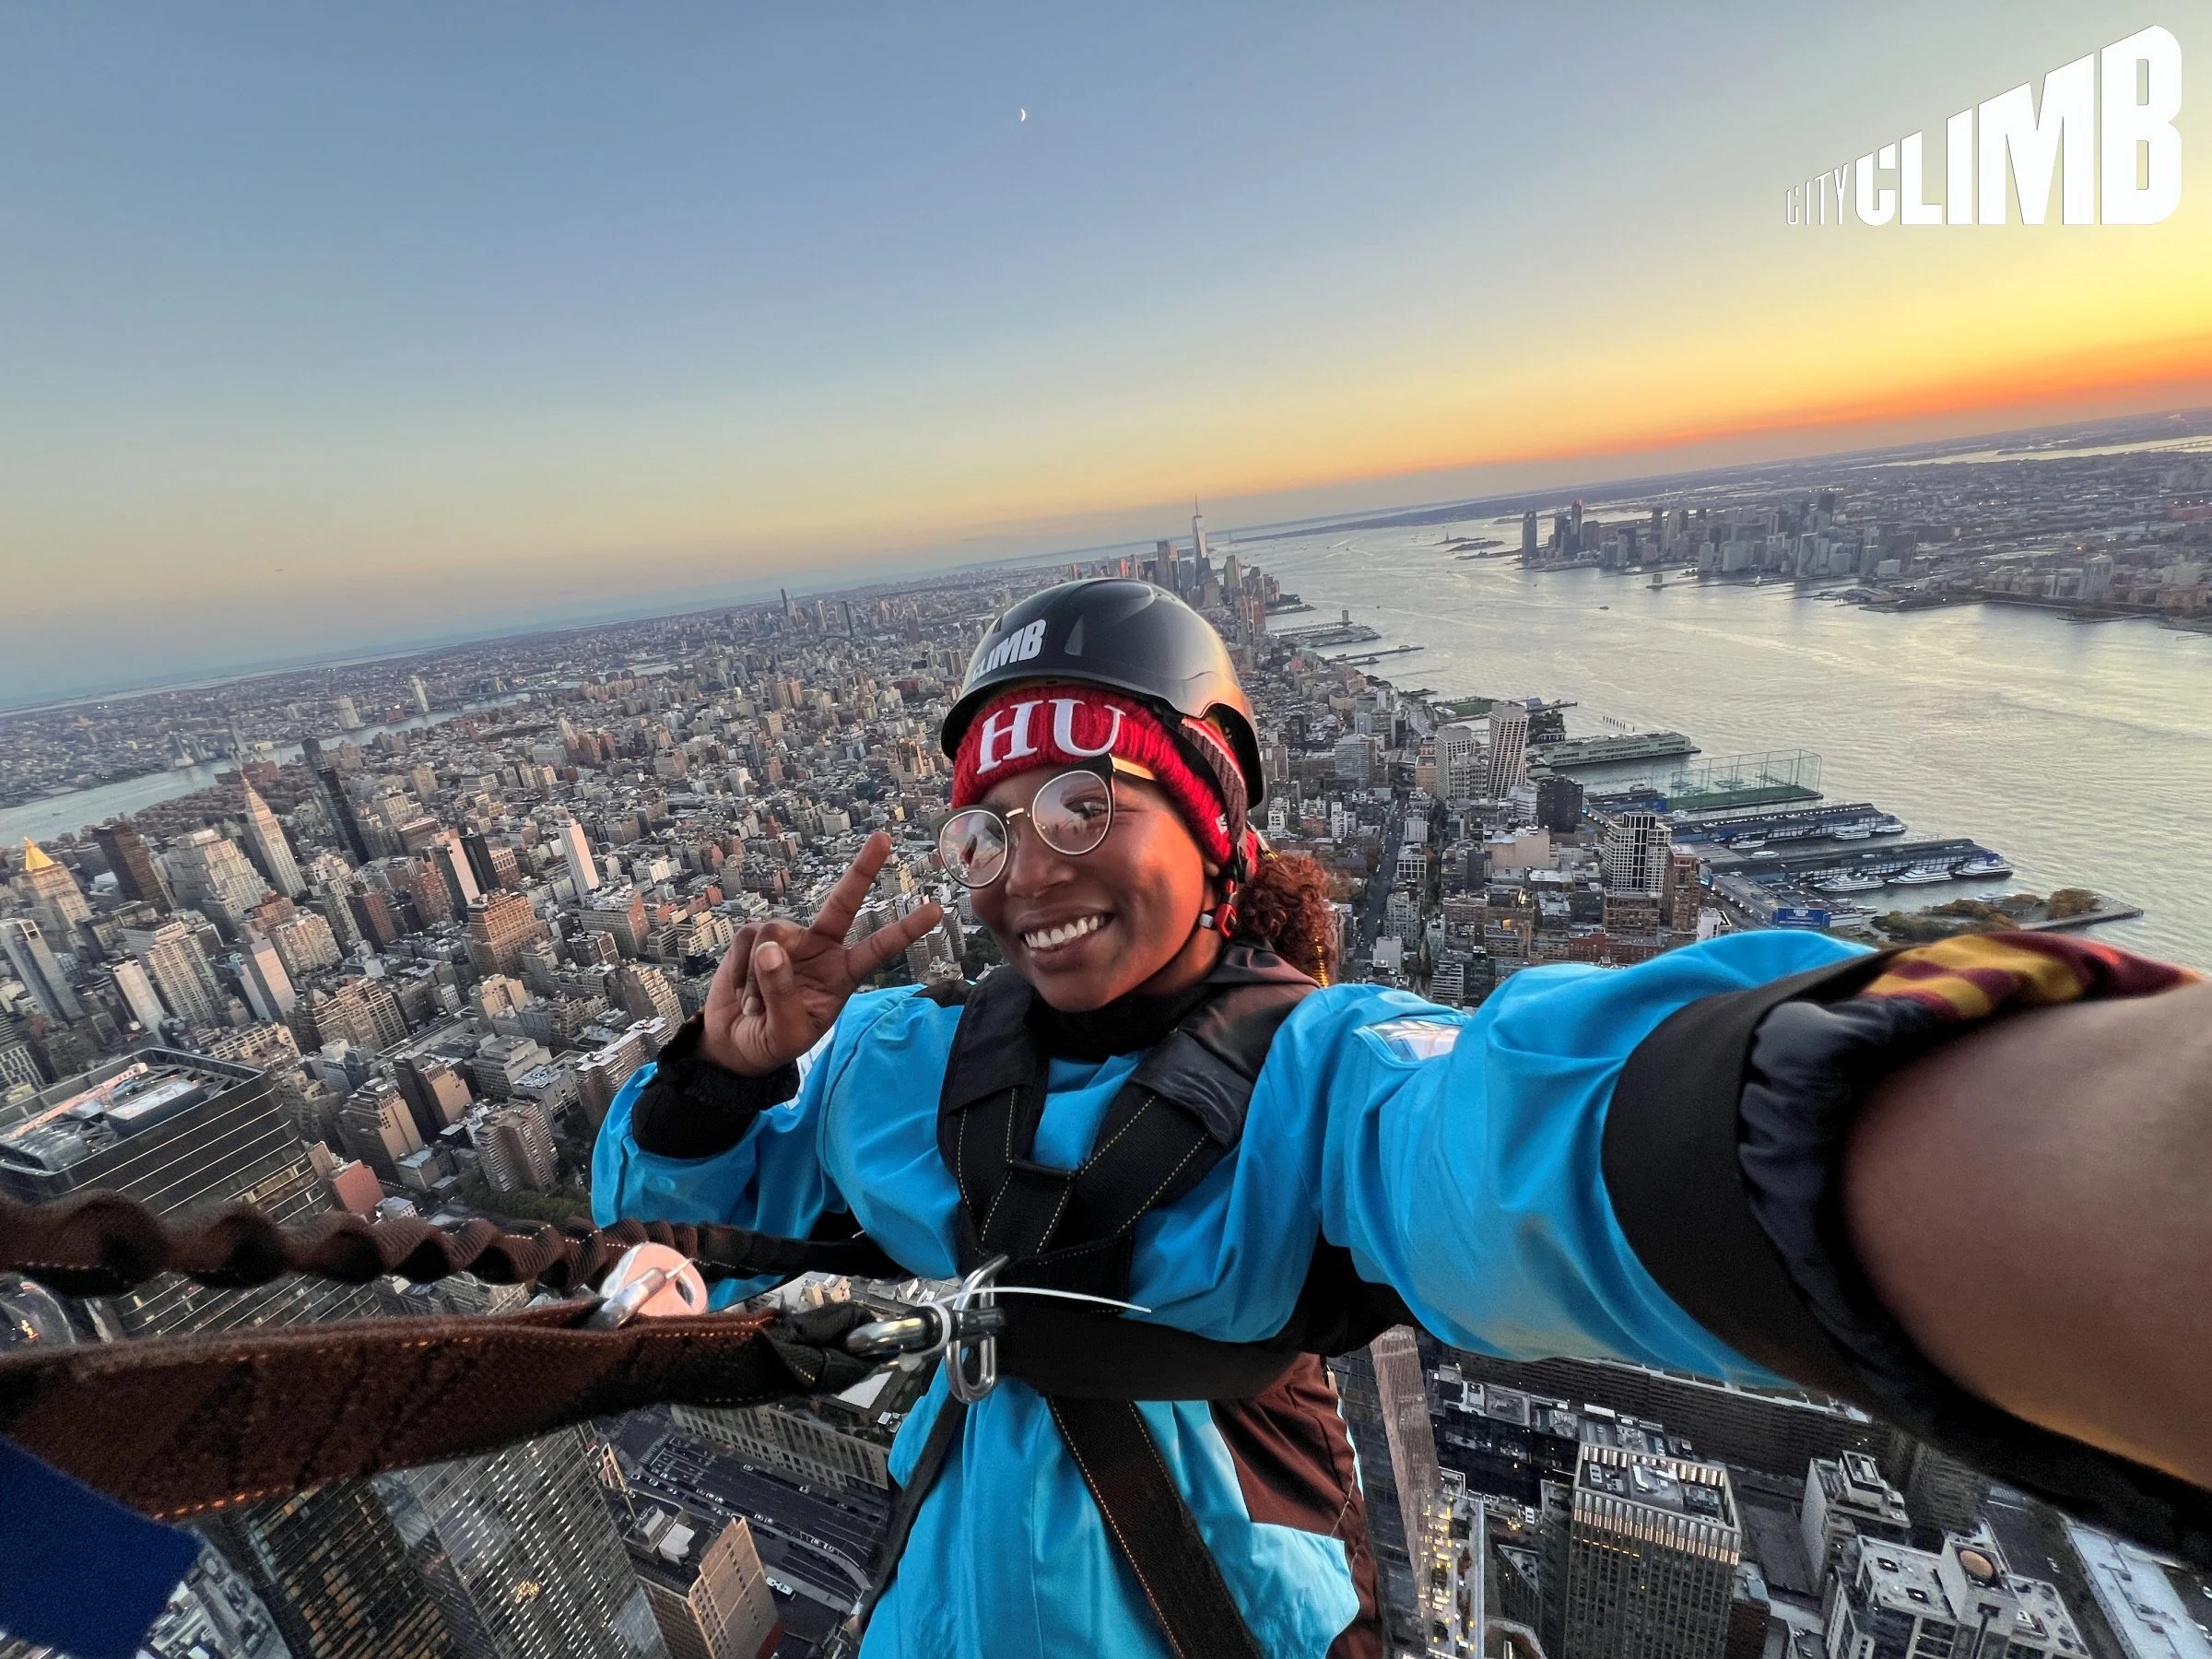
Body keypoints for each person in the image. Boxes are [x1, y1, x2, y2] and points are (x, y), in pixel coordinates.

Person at [595, 578, 2211, 1659]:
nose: (1031, 869)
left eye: (1087, 801)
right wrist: (720, 1080)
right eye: (988, 831)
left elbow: (1516, 1144)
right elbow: (681, 1227)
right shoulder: (895, 1062)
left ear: (1213, 824)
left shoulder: (1319, 1074)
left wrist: (1933, 1138)